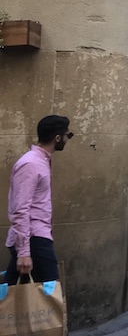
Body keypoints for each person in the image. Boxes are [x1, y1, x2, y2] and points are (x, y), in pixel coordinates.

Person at [5, 115, 73, 285]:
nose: (68, 139)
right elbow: (20, 208)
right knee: (50, 295)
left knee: (13, 292)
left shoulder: (40, 161)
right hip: (34, 239)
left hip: (36, 237)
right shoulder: (30, 164)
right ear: (57, 138)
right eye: (68, 135)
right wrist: (24, 252)